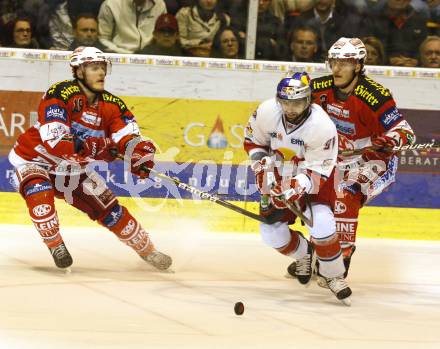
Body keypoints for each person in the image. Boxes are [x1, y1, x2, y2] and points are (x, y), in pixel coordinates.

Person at [8, 47, 172, 271]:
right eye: (95, 68)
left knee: (110, 210)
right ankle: (56, 245)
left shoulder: (113, 105)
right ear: (79, 71)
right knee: (39, 190)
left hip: (72, 169)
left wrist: (140, 154)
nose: (101, 73)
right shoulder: (60, 93)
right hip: (34, 160)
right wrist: (95, 147)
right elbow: (57, 143)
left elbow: (128, 136)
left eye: (103, 68)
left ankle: (149, 251)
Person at [287, 37, 415, 282]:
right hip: (336, 160)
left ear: (358, 66)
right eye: (333, 62)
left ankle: (340, 257)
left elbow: (405, 131)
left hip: (375, 162)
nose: (336, 68)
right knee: (316, 194)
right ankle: (317, 250)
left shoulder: (374, 95)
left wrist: (391, 140)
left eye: (344, 63)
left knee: (346, 191)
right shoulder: (320, 87)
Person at [243, 72, 352, 304]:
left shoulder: (322, 126)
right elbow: (253, 141)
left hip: (315, 179)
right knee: (270, 233)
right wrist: (261, 163)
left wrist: (296, 187)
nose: (290, 109)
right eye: (285, 102)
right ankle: (305, 255)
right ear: (278, 100)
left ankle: (333, 275)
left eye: (297, 103)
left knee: (321, 224)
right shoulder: (266, 111)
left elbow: (319, 169)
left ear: (308, 100)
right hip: (278, 174)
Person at [98, 0, 167, 53]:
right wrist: (126, 54)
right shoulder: (111, 4)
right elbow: (103, 38)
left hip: (151, 56)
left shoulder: (160, 5)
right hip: (119, 54)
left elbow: (161, 36)